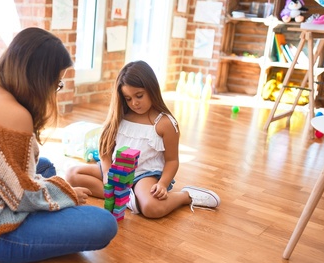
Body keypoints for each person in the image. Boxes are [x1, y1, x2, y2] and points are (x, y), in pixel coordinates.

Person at [0, 27, 118, 263]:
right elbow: (23, 197)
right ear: (40, 81)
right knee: (103, 224)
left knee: (45, 167)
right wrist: (68, 194)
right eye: (57, 83)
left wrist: (54, 190)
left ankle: (50, 205)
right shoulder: (16, 115)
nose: (56, 91)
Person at [65, 60, 220, 219]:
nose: (134, 103)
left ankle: (186, 196)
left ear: (151, 89)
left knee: (152, 208)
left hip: (143, 174)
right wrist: (106, 173)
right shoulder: (120, 116)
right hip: (116, 170)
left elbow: (172, 160)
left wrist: (163, 184)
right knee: (71, 175)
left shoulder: (164, 123)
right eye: (128, 98)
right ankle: (126, 197)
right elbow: (105, 152)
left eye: (139, 96)